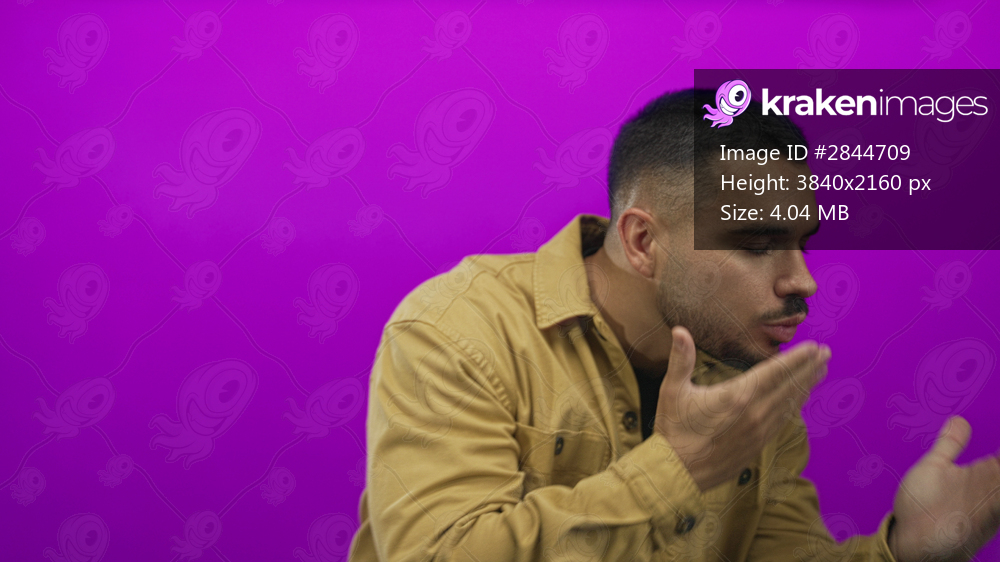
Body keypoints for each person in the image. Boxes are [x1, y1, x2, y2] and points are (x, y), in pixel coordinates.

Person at [347, 89, 1000, 561]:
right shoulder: (458, 330)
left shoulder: (749, 376)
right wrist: (675, 470)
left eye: (801, 243)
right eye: (757, 244)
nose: (803, 280)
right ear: (642, 243)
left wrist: (902, 552)